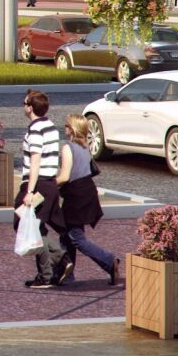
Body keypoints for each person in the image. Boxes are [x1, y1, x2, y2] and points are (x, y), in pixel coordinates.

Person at [15, 90, 70, 289]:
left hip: (37, 184)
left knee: (25, 223)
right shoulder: (51, 127)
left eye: (24, 103)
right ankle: (51, 268)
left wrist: (29, 191)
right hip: (49, 184)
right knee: (35, 226)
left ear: (30, 107)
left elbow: (35, 160)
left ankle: (55, 264)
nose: (23, 106)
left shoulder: (36, 129)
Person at [58, 114, 117, 285]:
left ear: (73, 129)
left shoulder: (68, 148)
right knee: (67, 235)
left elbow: (65, 176)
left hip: (75, 194)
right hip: (86, 191)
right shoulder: (85, 147)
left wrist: (48, 184)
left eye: (67, 125)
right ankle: (66, 274)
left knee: (76, 237)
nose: (65, 128)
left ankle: (109, 261)